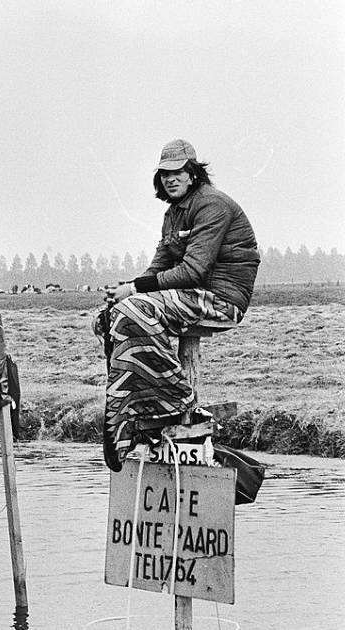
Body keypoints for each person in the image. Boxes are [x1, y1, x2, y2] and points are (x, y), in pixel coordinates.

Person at [95, 139, 260, 471]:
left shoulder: (213, 206)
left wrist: (135, 291)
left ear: (193, 173)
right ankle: (133, 408)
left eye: (178, 172)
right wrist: (124, 290)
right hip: (189, 296)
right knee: (109, 317)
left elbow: (193, 270)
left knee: (135, 309)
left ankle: (174, 401)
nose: (170, 179)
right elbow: (158, 268)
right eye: (164, 174)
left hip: (220, 298)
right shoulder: (173, 214)